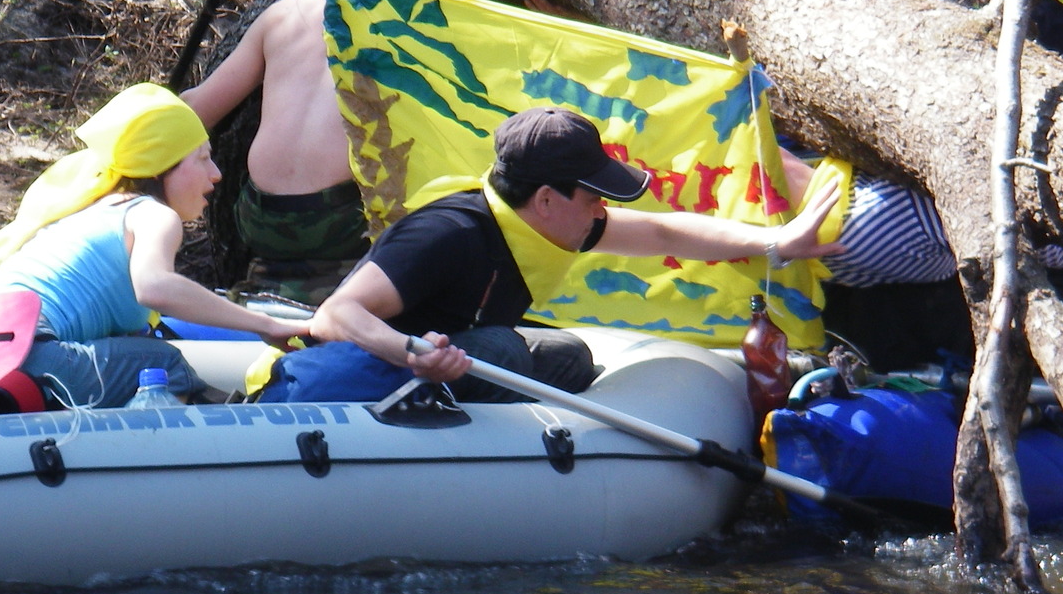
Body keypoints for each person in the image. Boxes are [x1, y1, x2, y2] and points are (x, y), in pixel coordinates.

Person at [307, 107, 844, 402]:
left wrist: (779, 243)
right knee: (505, 350)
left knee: (570, 356)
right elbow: (334, 315)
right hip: (386, 371)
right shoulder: (446, 234)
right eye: (594, 198)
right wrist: (412, 352)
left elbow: (661, 234)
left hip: (446, 363)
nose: (602, 210)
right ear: (546, 199)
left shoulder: (548, 220)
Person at [182, 0, 509, 301]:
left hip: (260, 216)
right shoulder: (425, 4)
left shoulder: (284, 14)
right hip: (341, 219)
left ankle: (274, 290)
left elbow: (197, 108)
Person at [0, 83, 312, 408]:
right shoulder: (152, 214)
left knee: (146, 350)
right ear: (163, 166)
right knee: (165, 365)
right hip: (27, 354)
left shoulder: (92, 208)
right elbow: (155, 288)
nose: (216, 173)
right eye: (202, 158)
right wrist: (267, 325)